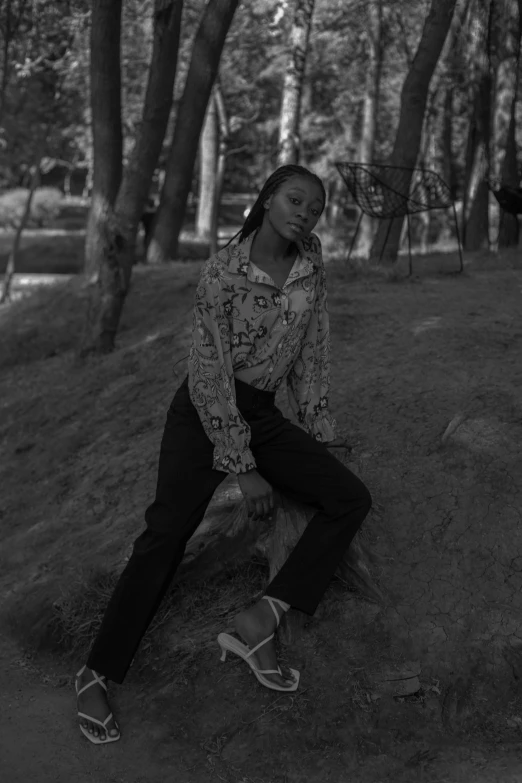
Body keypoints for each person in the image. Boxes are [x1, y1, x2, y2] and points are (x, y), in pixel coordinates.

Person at [74, 164, 373, 744]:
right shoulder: (222, 273)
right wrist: (244, 466)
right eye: (294, 199)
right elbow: (208, 375)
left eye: (315, 207)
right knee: (165, 535)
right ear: (266, 200)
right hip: (203, 414)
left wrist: (317, 428)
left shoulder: (311, 263)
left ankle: (263, 617)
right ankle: (97, 671)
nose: (305, 213)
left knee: (348, 497)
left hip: (261, 412)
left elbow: (312, 352)